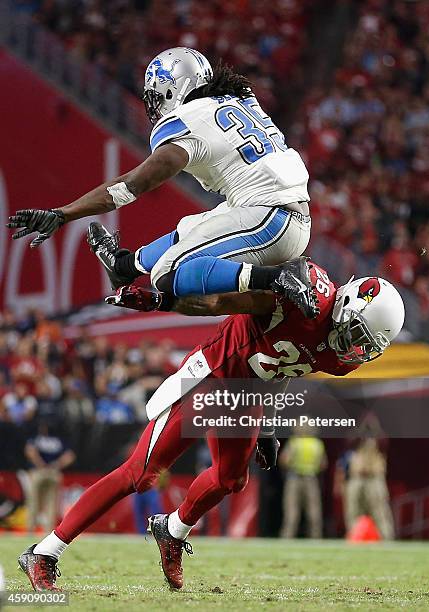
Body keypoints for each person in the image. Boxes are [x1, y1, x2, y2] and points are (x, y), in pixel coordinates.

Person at [18, 262, 405, 591]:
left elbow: (289, 366)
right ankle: (43, 552)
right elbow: (228, 298)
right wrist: (158, 302)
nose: (356, 348)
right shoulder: (309, 296)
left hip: (248, 397)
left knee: (230, 480)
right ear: (348, 303)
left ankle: (171, 530)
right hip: (210, 379)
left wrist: (267, 424)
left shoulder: (343, 357)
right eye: (357, 335)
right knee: (141, 474)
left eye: (366, 344)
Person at [7, 47, 316, 318]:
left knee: (167, 274)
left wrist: (63, 214)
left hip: (270, 218)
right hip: (275, 212)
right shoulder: (238, 100)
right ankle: (124, 266)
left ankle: (277, 277)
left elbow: (130, 186)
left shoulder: (188, 121)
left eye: (156, 96)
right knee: (190, 228)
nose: (154, 106)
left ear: (173, 90)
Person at [25, 421, 76, 533]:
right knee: (51, 503)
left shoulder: (37, 438)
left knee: (33, 501)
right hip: (54, 472)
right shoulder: (58, 440)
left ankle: (30, 529)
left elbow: (30, 451)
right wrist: (56, 464)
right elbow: (70, 456)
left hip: (39, 472)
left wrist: (40, 464)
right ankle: (48, 531)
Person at [279, 423, 327, 538]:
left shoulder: (294, 442)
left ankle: (287, 537)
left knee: (291, 511)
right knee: (314, 511)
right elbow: (323, 464)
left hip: (294, 478)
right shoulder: (317, 444)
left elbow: (284, 460)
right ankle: (316, 538)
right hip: (311, 478)